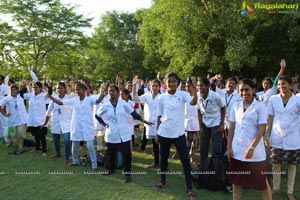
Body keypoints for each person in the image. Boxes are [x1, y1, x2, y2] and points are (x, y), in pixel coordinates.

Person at [95, 85, 153, 183]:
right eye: (110, 91)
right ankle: (111, 169)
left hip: (124, 134)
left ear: (118, 93)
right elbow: (97, 115)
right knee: (111, 154)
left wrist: (144, 121)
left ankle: (127, 174)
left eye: (113, 91)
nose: (111, 93)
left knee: (127, 154)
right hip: (112, 134)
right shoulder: (105, 105)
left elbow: (133, 113)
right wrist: (104, 124)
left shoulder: (123, 104)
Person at [154, 72, 197, 200]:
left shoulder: (183, 94)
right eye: (169, 81)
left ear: (178, 82)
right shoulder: (161, 98)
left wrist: (194, 88)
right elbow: (159, 116)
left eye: (174, 81)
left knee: (185, 161)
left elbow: (194, 102)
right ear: (165, 83)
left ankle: (189, 188)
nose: (172, 84)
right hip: (164, 133)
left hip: (178, 134)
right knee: (163, 160)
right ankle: (162, 181)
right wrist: (157, 132)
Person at [227, 79, 272, 200]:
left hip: (255, 151)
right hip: (237, 150)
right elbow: (231, 127)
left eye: (247, 89)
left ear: (253, 90)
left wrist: (251, 147)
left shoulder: (260, 106)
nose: (244, 92)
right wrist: (229, 147)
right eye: (241, 90)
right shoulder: (236, 106)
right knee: (236, 180)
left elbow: (261, 128)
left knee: (261, 182)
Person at [46, 83, 105, 171]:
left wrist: (102, 93)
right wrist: (50, 97)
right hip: (76, 126)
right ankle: (75, 161)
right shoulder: (74, 100)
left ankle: (94, 165)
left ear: (85, 90)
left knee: (89, 146)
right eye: (76, 89)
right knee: (75, 145)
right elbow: (60, 102)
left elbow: (98, 101)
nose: (77, 91)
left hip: (87, 126)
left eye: (79, 89)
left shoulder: (90, 99)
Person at [265, 76, 300, 200]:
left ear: (291, 86)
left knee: (292, 165)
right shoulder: (273, 99)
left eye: (284, 84)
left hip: (293, 137)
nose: (281, 87)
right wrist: (266, 134)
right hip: (276, 136)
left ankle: (290, 191)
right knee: (276, 164)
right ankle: (276, 187)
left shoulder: (297, 100)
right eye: (279, 85)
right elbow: (269, 117)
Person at [41, 82, 72, 165]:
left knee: (67, 140)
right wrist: (45, 123)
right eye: (57, 88)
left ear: (65, 89)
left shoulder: (69, 98)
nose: (59, 90)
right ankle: (58, 153)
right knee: (55, 139)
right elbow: (48, 112)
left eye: (61, 88)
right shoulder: (53, 98)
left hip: (67, 122)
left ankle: (68, 155)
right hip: (56, 121)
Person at [197, 77, 226, 167]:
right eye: (198, 85)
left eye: (202, 85)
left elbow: (223, 108)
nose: (200, 87)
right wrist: (200, 127)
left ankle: (216, 170)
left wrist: (222, 123)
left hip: (216, 123)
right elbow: (198, 111)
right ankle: (203, 169)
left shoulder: (215, 96)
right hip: (205, 123)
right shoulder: (198, 96)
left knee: (216, 149)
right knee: (203, 147)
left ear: (208, 86)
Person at [133, 78, 161, 168]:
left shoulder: (162, 97)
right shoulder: (147, 95)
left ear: (159, 87)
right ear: (150, 86)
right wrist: (134, 86)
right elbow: (135, 99)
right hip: (149, 123)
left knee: (161, 143)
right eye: (153, 86)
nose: (155, 88)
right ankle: (156, 162)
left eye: (156, 86)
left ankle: (161, 162)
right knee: (154, 143)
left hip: (160, 123)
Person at [23, 81, 49, 157]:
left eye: (36, 87)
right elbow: (21, 95)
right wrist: (23, 86)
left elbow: (49, 92)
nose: (34, 88)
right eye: (34, 87)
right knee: (35, 135)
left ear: (40, 88)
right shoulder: (31, 95)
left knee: (42, 136)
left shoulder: (43, 95)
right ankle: (37, 147)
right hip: (32, 119)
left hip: (41, 119)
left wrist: (45, 88)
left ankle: (44, 151)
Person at [0, 85, 28, 152]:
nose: (13, 91)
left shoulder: (21, 97)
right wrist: (4, 114)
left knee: (20, 133)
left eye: (14, 90)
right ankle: (10, 142)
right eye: (12, 90)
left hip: (22, 119)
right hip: (12, 119)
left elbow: (29, 93)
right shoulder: (7, 98)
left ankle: (21, 147)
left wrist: (26, 85)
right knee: (11, 134)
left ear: (17, 90)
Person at [184, 79, 200, 166]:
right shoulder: (184, 96)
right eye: (186, 86)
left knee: (194, 143)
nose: (187, 88)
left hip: (195, 123)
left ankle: (192, 159)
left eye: (189, 86)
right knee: (187, 143)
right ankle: (186, 159)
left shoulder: (197, 95)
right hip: (186, 123)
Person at [0, 75, 9, 142]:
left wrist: (5, 107)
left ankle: (6, 137)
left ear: (2, 80)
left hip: (2, 106)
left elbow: (6, 97)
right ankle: (1, 135)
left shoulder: (4, 87)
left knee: (4, 122)